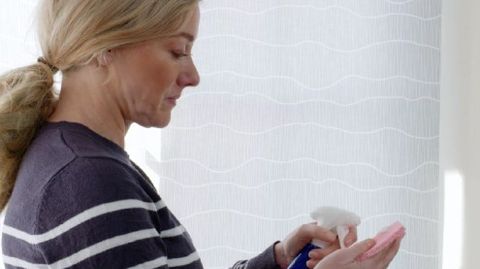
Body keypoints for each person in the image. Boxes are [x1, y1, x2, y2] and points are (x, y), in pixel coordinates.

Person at [0, 0, 401, 268]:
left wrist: (276, 260)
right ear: (105, 47)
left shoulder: (70, 162)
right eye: (177, 51)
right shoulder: (87, 182)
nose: (193, 77)